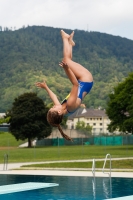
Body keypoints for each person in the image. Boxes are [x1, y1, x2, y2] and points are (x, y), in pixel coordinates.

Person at [35, 30, 93, 141]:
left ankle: (69, 43)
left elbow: (55, 98)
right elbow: (75, 84)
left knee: (67, 60)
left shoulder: (63, 109)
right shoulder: (70, 105)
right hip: (85, 79)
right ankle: (65, 38)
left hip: (82, 81)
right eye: (53, 108)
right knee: (66, 60)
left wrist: (46, 87)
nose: (52, 106)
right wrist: (67, 70)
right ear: (59, 112)